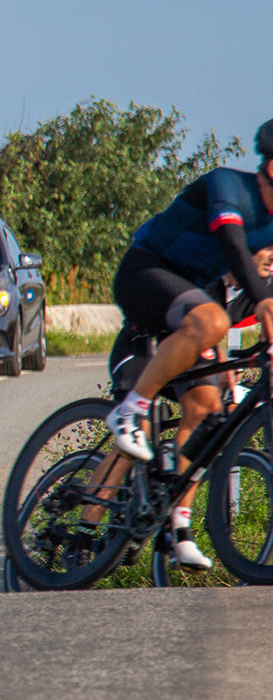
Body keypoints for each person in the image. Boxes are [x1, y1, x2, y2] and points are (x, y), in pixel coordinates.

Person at [103, 118, 273, 462]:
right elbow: (233, 246)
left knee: (207, 416)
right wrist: (264, 301)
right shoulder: (228, 186)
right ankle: (131, 413)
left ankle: (175, 498)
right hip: (145, 273)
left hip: (189, 303)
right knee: (212, 321)